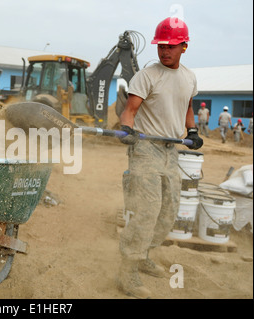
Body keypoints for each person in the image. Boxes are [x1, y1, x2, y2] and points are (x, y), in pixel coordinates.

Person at [117, 17, 203, 299]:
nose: (165, 51)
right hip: (145, 148)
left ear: (184, 47)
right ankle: (127, 272)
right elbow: (129, 110)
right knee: (147, 209)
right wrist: (127, 129)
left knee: (169, 211)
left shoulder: (189, 77)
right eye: (161, 46)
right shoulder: (147, 76)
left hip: (169, 150)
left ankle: (144, 255)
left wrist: (192, 130)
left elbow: (188, 106)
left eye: (171, 46)